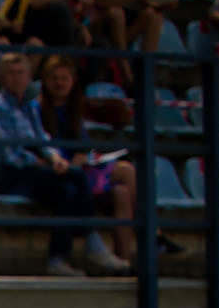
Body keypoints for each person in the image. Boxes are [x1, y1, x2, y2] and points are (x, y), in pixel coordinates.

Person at [0, 46, 125, 275]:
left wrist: (55, 158)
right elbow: (8, 150)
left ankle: (57, 260)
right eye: (11, 72)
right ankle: (93, 243)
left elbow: (42, 139)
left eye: (21, 72)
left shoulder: (28, 106)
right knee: (75, 175)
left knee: (67, 190)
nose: (16, 77)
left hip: (24, 169)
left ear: (29, 77)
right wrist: (41, 164)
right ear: (1, 77)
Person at [36, 53, 144, 266]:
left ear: (72, 81)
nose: (59, 83)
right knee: (127, 172)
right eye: (54, 78)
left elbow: (85, 147)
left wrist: (85, 156)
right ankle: (152, 232)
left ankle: (123, 264)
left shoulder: (75, 109)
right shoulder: (36, 109)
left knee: (122, 193)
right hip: (59, 170)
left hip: (82, 168)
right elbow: (41, 146)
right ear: (45, 81)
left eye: (64, 78)